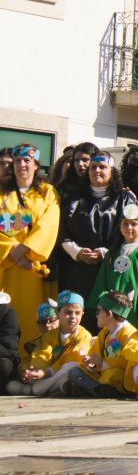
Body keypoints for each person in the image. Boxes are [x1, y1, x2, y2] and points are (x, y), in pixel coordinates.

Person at [58, 152, 138, 303]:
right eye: (93, 167)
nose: (97, 171)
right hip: (78, 270)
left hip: (112, 268)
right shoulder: (74, 199)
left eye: (102, 167)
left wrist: (107, 253)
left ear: (112, 171)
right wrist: (77, 252)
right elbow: (62, 231)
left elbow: (133, 235)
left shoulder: (125, 199)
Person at [0, 144, 60, 343]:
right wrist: (13, 251)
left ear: (36, 165)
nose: (22, 165)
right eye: (18, 160)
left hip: (32, 266)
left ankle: (28, 356)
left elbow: (49, 224)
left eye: (27, 160)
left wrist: (26, 250)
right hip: (5, 265)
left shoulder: (47, 192)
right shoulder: (2, 192)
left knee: (30, 314)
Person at [87, 204, 138, 326]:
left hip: (135, 307)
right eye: (125, 223)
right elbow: (102, 281)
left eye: (134, 224)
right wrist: (103, 303)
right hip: (113, 307)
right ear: (120, 227)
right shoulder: (113, 252)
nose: (129, 227)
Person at [5, 290, 92, 397]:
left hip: (61, 373)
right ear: (58, 312)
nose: (73, 316)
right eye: (68, 312)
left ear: (82, 314)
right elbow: (42, 355)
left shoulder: (84, 335)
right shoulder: (48, 336)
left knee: (73, 366)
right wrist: (34, 371)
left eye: (77, 313)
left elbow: (73, 359)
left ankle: (36, 390)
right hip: (49, 375)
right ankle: (54, 389)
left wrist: (46, 372)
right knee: (12, 384)